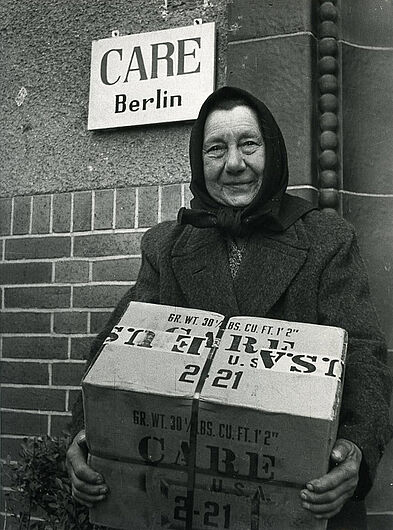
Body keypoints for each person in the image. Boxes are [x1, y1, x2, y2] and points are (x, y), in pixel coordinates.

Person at [67, 86, 392, 529]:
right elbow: (114, 352)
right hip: (185, 502)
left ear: (272, 152)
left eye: (249, 145)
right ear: (200, 164)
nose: (234, 164)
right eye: (216, 149)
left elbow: (365, 360)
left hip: (298, 498)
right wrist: (86, 437)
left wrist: (355, 451)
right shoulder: (166, 246)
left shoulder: (326, 239)